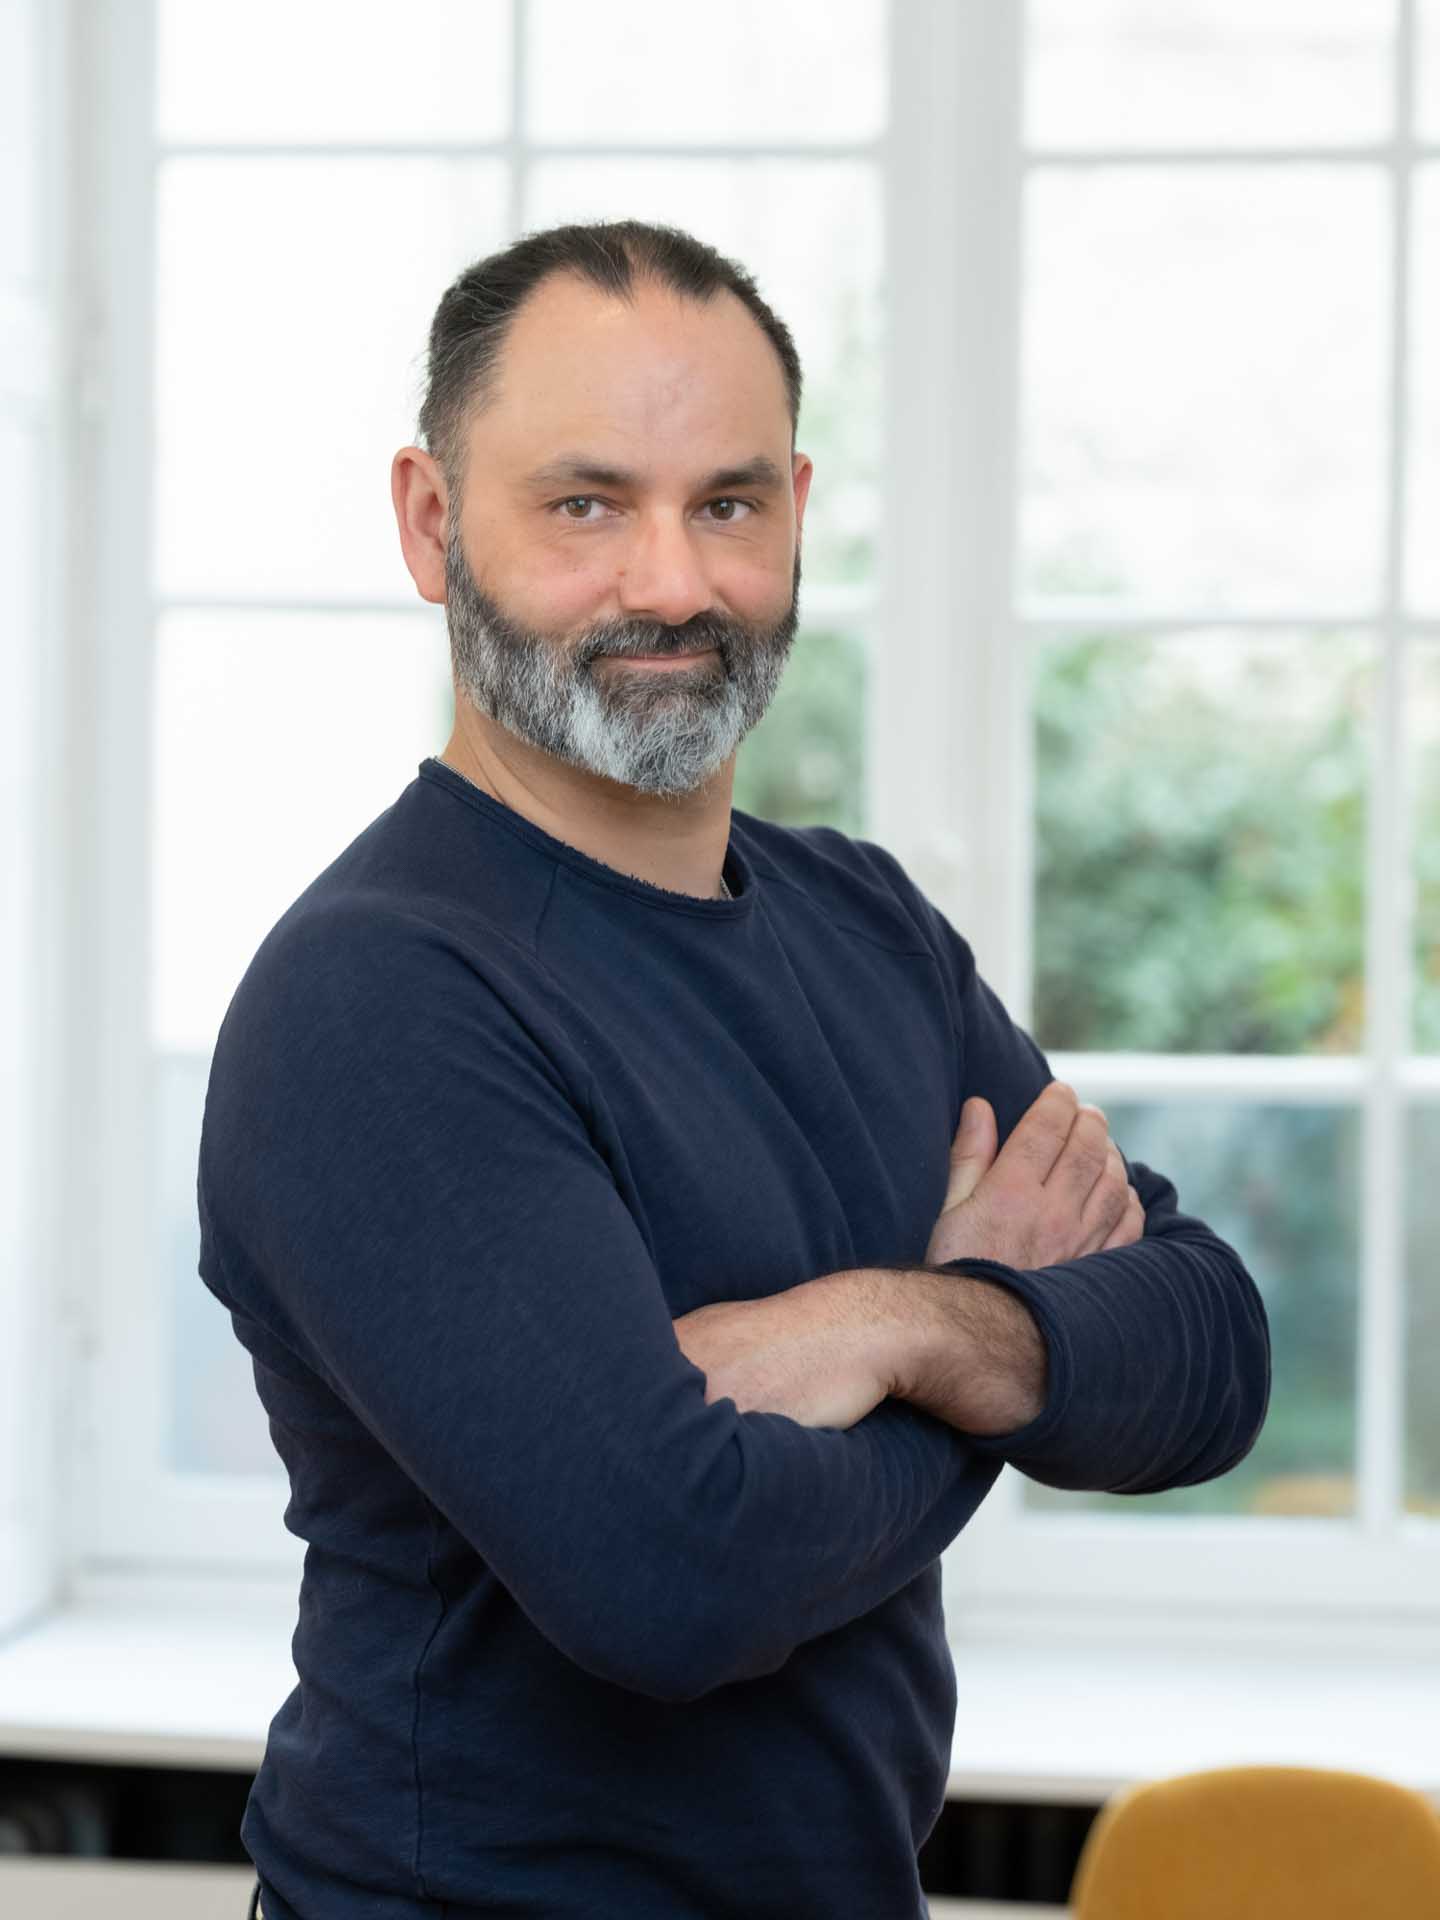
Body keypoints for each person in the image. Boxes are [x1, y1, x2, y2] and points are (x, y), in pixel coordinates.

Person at [201, 219, 1270, 1920]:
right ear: (430, 523)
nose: (671, 586)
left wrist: (899, 1325)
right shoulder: (381, 996)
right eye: (586, 505)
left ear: (796, 512)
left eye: (727, 504)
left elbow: (1211, 1354)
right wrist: (1003, 1350)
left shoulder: (867, 924)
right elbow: (669, 1577)